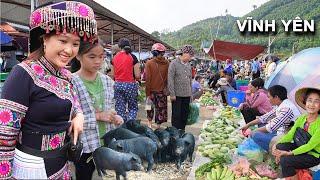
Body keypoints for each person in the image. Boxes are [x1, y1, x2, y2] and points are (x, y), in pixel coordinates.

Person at [0, 1, 97, 179]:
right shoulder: (23, 74)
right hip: (31, 169)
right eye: (63, 40)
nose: (69, 50)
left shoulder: (67, 76)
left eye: (75, 44)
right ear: (44, 39)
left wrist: (79, 115)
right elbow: (4, 137)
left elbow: (74, 104)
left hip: (62, 165)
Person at [72, 39, 124, 180]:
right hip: (85, 144)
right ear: (78, 55)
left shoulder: (107, 81)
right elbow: (69, 120)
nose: (98, 61)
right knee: (84, 175)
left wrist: (115, 116)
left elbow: (111, 106)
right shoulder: (71, 82)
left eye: (101, 56)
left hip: (105, 141)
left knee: (106, 175)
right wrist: (98, 116)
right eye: (92, 56)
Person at [272, 86, 320, 179]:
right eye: (310, 100)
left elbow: (309, 146)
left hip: (313, 155)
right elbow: (290, 134)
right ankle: (287, 172)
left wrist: (290, 153)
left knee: (285, 160)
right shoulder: (302, 118)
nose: (312, 104)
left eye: (316, 101)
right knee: (279, 146)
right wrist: (276, 144)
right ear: (305, 102)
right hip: (300, 145)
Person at [241, 85, 301, 151]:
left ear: (276, 97)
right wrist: (248, 125)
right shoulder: (280, 105)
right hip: (281, 130)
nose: (268, 99)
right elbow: (264, 118)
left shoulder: (287, 109)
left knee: (255, 135)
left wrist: (253, 132)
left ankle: (274, 151)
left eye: (269, 97)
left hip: (288, 138)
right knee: (260, 125)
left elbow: (270, 127)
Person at [111, 38, 140, 122]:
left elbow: (112, 75)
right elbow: (137, 75)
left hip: (117, 85)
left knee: (120, 107)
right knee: (133, 107)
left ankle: (122, 125)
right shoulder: (133, 57)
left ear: (119, 47)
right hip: (130, 85)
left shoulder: (114, 58)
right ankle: (130, 124)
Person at [168, 45, 194, 131]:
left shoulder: (188, 65)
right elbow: (170, 79)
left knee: (184, 115)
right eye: (190, 55)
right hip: (177, 95)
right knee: (176, 115)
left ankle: (182, 131)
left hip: (186, 94)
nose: (191, 58)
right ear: (185, 53)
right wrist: (172, 93)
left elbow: (190, 80)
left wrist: (191, 94)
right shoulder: (174, 63)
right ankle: (175, 132)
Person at [145, 43, 169, 129]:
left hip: (151, 91)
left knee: (149, 107)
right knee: (161, 110)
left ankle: (149, 124)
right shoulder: (167, 63)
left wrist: (147, 93)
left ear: (154, 52)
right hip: (162, 91)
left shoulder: (149, 63)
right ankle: (158, 126)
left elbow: (148, 79)